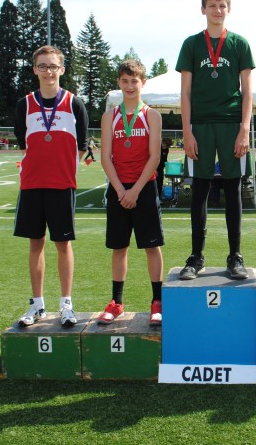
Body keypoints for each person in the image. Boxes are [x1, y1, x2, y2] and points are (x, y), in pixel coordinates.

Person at [176, 0, 255, 280]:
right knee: (200, 190)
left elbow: (247, 92)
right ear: (203, 9)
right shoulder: (191, 44)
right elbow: (185, 93)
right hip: (200, 124)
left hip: (232, 123)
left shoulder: (239, 43)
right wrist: (187, 131)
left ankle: (235, 256)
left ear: (228, 10)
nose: (217, 10)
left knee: (234, 190)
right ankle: (196, 257)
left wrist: (244, 130)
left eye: (222, 6)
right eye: (211, 5)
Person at [13, 45, 88, 328]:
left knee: (63, 244)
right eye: (42, 66)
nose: (48, 71)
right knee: (36, 244)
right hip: (32, 184)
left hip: (62, 184)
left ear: (62, 69)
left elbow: (81, 147)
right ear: (35, 70)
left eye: (53, 66)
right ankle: (37, 304)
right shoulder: (25, 105)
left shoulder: (74, 103)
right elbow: (23, 145)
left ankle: (66, 303)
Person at [98, 59, 164, 326]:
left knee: (151, 247)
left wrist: (135, 191)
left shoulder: (152, 116)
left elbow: (154, 157)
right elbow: (105, 158)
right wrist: (120, 190)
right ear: (118, 83)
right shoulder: (109, 117)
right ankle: (116, 302)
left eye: (133, 81)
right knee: (119, 247)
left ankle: (157, 301)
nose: (129, 86)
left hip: (144, 188)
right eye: (124, 81)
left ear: (142, 83)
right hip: (118, 188)